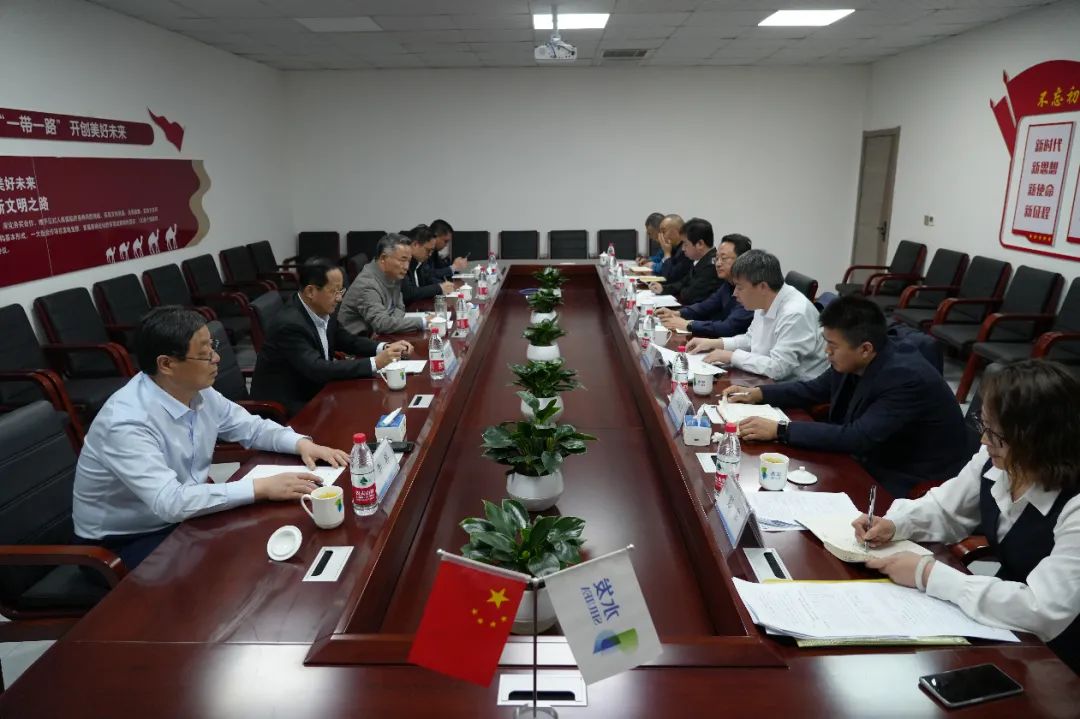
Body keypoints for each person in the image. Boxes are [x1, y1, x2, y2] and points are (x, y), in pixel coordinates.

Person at [72, 306, 349, 571]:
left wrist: (301, 444)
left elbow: (251, 428)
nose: (216, 358)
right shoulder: (126, 422)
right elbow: (171, 503)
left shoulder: (196, 390)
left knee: (266, 537)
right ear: (167, 364)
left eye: (213, 347)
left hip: (181, 513)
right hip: (124, 540)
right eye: (204, 354)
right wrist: (260, 488)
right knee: (228, 565)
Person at [854, 360, 1080, 672]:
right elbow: (946, 509)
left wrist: (928, 575)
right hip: (1005, 621)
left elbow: (1043, 609)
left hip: (1061, 653)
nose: (984, 441)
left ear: (1038, 438)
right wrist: (895, 525)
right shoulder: (996, 460)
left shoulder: (1074, 504)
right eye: (982, 425)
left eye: (996, 433)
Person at [722, 295, 969, 498]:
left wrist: (780, 430)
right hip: (871, 455)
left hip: (908, 475)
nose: (826, 351)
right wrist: (759, 393)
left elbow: (857, 437)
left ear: (865, 349)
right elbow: (815, 389)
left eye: (833, 345)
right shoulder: (854, 359)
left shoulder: (905, 377)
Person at [251, 258, 410, 415]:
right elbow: (317, 369)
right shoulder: (290, 325)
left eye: (341, 291)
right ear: (311, 292)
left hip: (318, 390)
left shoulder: (322, 308)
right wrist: (375, 362)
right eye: (334, 291)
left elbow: (347, 340)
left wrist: (384, 347)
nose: (339, 298)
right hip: (289, 405)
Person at [687, 250, 828, 382]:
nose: (735, 293)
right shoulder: (765, 299)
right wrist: (715, 343)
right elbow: (751, 339)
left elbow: (778, 368)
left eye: (740, 287)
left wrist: (731, 356)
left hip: (795, 387)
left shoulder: (795, 313)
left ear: (762, 287)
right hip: (767, 379)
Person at [655, 233, 753, 338]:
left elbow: (729, 327)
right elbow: (705, 306)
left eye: (724, 258)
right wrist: (677, 313)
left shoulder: (751, 289)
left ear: (741, 260)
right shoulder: (727, 283)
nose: (718, 264)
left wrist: (689, 325)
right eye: (717, 258)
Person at [338, 233, 431, 337]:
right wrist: (423, 321)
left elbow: (399, 307)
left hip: (380, 336)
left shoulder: (393, 274)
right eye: (402, 260)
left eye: (408, 261)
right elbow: (381, 324)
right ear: (383, 258)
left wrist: (391, 322)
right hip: (357, 341)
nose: (406, 267)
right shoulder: (367, 284)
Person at [647, 217, 723, 305]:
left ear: (700, 244)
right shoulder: (700, 260)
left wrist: (681, 290)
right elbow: (682, 283)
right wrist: (663, 289)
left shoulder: (712, 266)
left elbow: (689, 295)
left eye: (686, 244)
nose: (683, 249)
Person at [402, 224, 455, 305]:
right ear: (415, 245)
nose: (430, 254)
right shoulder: (403, 263)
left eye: (432, 251)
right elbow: (409, 293)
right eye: (428, 250)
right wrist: (439, 288)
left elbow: (429, 279)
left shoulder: (419, 262)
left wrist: (445, 285)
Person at [656, 214, 690, 283]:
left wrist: (667, 254)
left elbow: (668, 279)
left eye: (663, 232)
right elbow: (663, 273)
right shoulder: (673, 248)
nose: (661, 236)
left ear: (679, 231)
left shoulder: (685, 251)